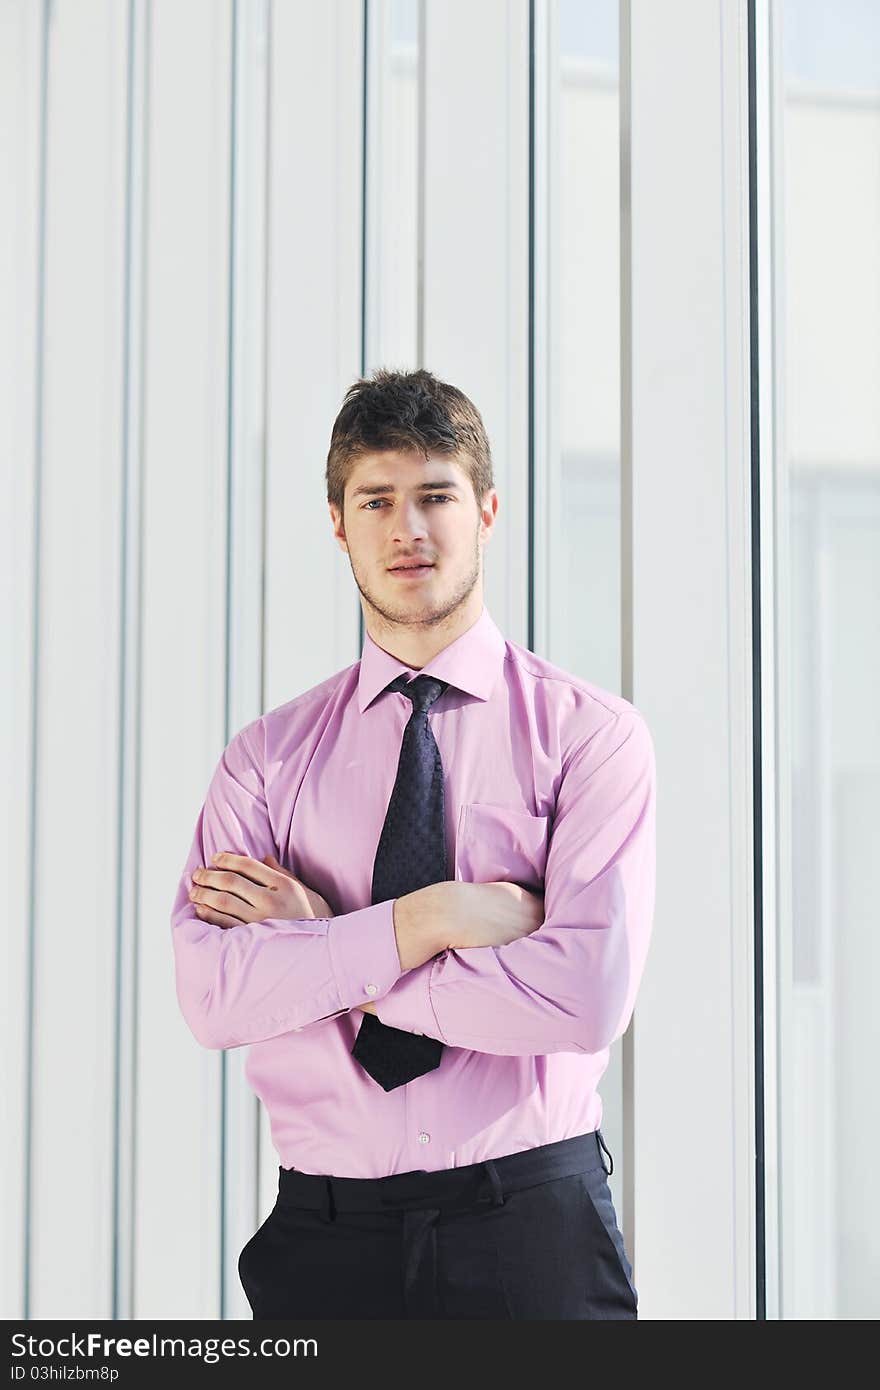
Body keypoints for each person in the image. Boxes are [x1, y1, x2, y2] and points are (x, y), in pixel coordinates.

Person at [170, 367, 656, 1320]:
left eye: (435, 495)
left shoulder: (590, 738)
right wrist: (434, 918)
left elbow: (584, 997)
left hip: (531, 1228)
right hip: (326, 1244)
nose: (409, 528)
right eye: (377, 500)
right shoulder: (266, 761)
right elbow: (215, 995)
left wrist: (329, 945)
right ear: (339, 524)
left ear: (486, 510)